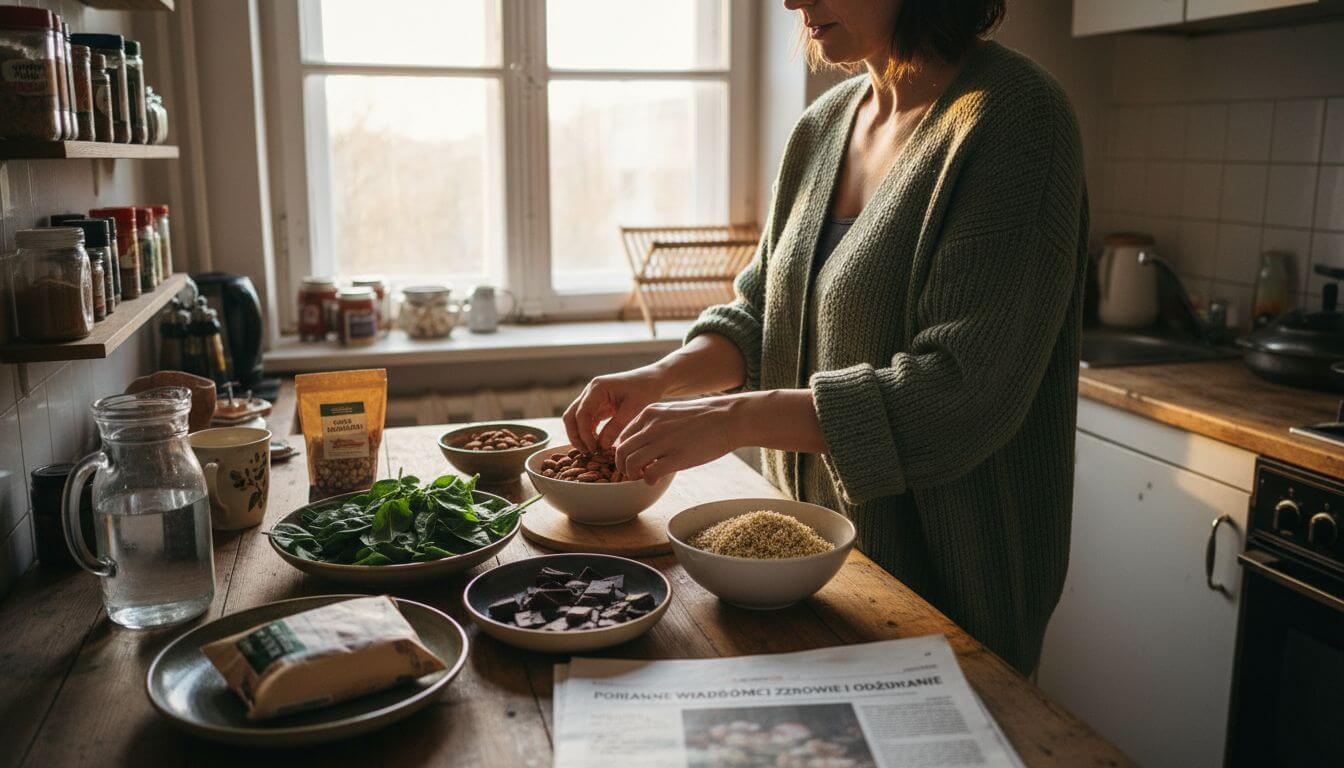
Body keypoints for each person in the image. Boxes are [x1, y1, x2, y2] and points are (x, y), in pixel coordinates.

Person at [563, 0, 1088, 675]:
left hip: (949, 587)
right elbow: (762, 315)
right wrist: (662, 378)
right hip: (807, 567)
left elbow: (960, 393)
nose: (790, 2)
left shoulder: (1016, 118)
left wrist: (733, 417)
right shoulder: (823, 124)